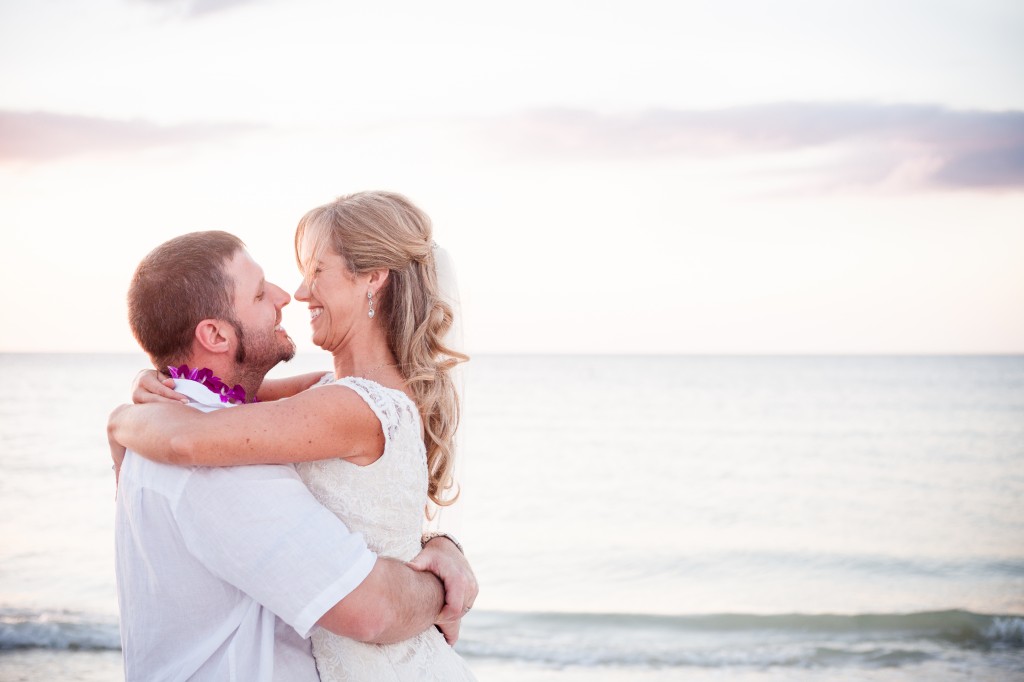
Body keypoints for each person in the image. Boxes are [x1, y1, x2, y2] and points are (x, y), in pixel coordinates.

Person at [110, 192, 477, 680]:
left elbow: (193, 434)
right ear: (214, 334)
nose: (296, 293)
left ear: (374, 278)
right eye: (262, 293)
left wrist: (120, 420)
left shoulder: (346, 405)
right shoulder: (328, 397)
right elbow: (212, 422)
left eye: (316, 271)